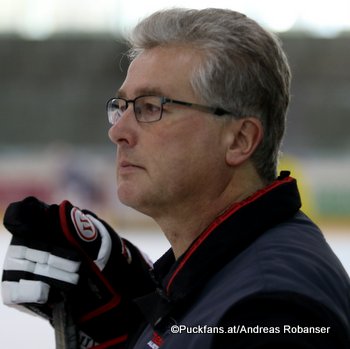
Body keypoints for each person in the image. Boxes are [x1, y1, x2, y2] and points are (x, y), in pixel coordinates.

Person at [2, 8, 350, 349]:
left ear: (239, 139)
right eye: (121, 107)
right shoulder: (205, 278)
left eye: (151, 107)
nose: (118, 131)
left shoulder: (272, 309)